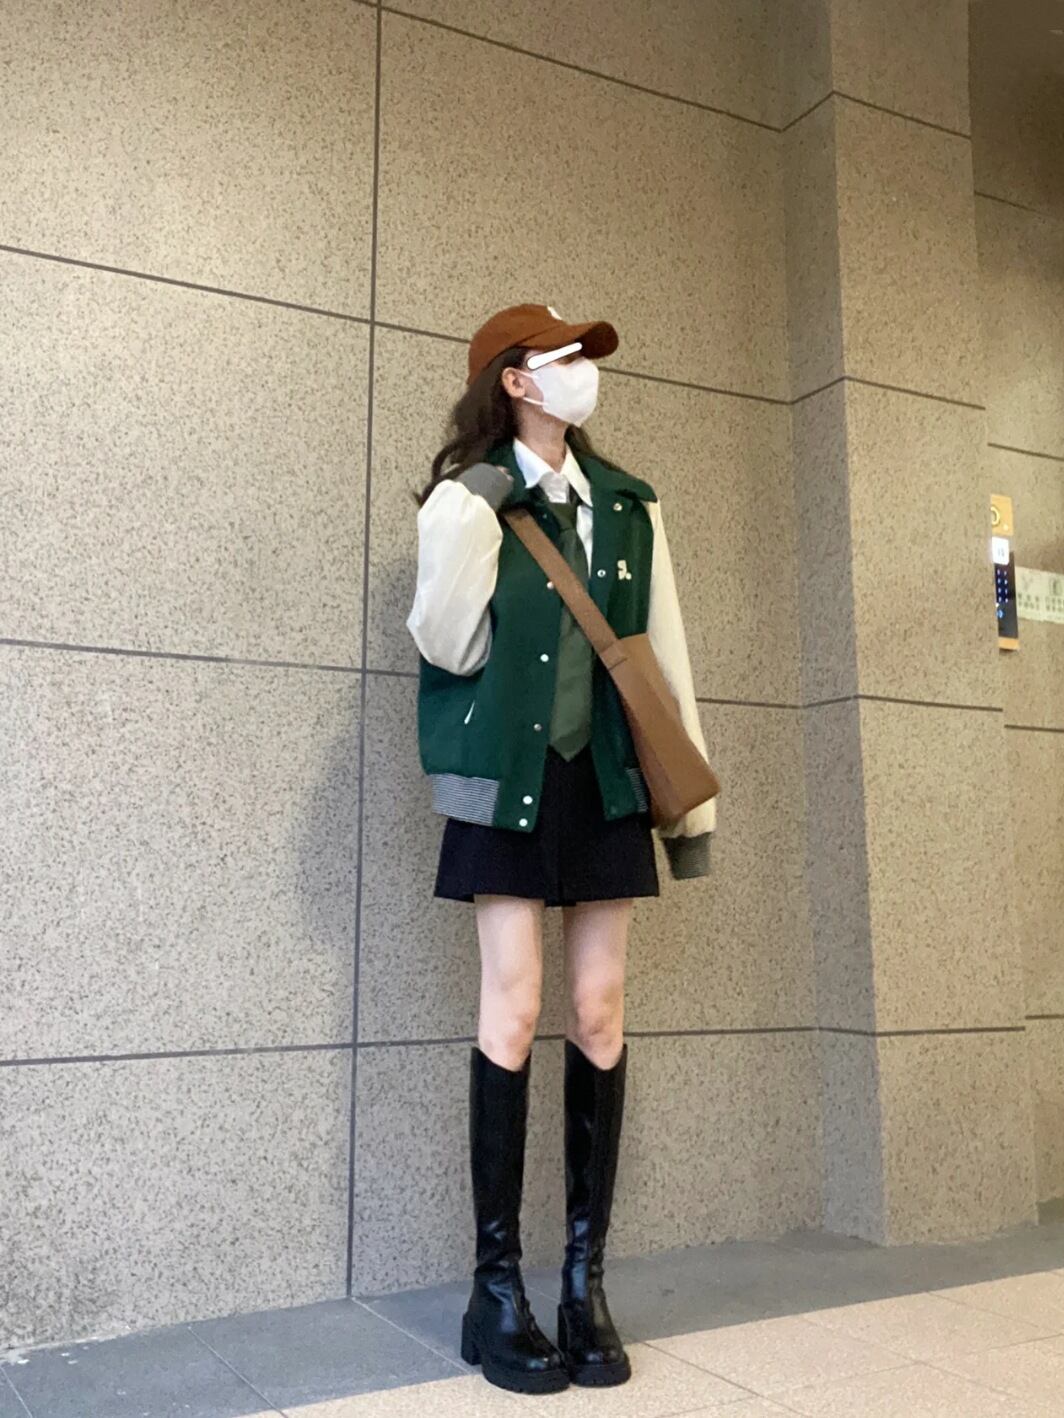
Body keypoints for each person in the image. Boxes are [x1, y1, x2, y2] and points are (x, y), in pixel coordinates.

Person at [405, 303, 717, 1396]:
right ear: (516, 381)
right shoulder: (469, 497)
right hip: (509, 779)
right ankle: (494, 1292)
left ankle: (584, 1283)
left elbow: (661, 654)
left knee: (598, 1009)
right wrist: (475, 507)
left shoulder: (629, 503)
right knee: (513, 1005)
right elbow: (444, 641)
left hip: (606, 780)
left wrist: (692, 814)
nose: (586, 373)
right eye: (566, 358)